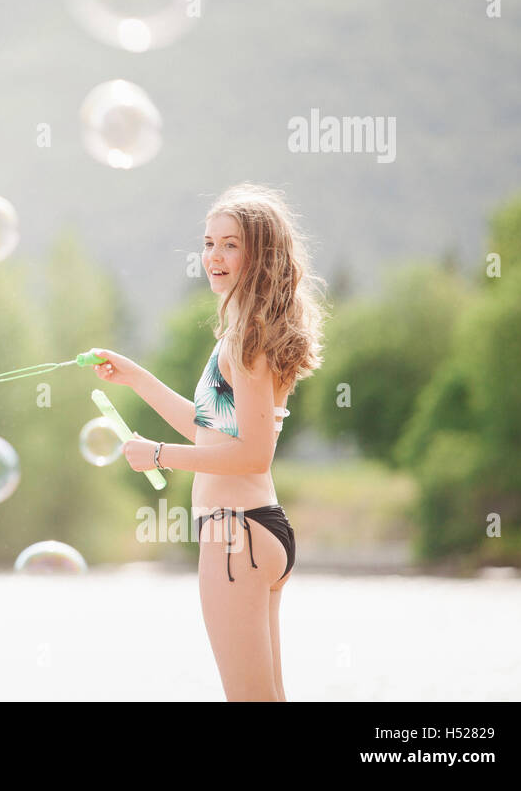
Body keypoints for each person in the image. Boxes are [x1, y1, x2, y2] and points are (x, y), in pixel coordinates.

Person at [92, 183, 326, 701]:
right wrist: (135, 379)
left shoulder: (247, 339)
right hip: (260, 530)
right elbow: (211, 430)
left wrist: (157, 456)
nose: (213, 256)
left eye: (230, 244)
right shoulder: (247, 332)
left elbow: (253, 453)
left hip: (233, 535)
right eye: (208, 242)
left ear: (260, 256)